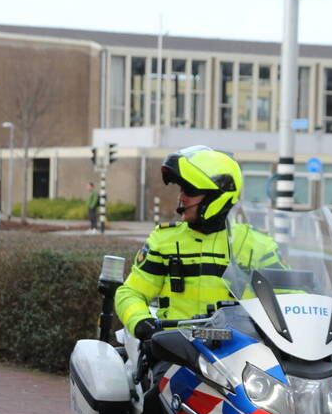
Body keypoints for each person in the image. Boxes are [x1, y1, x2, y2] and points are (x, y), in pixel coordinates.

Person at [115, 145, 281, 344]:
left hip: (241, 350)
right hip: (176, 348)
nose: (181, 197)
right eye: (182, 190)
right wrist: (140, 322)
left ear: (216, 196)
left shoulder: (257, 246)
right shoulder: (164, 241)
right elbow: (131, 292)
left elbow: (291, 298)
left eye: (190, 191)